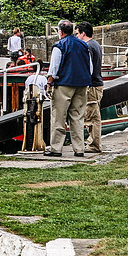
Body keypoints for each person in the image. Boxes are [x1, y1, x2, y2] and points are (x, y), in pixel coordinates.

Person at [44, 20, 92, 157]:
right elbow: (90, 66)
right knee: (77, 117)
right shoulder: (84, 44)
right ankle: (79, 148)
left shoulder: (59, 45)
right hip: (82, 84)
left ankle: (56, 148)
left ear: (60, 31)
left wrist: (49, 82)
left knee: (59, 117)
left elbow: (54, 67)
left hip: (64, 83)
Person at [77, 21, 104, 153]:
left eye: (77, 33)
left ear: (83, 33)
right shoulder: (96, 45)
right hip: (97, 84)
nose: (76, 36)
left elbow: (89, 68)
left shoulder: (87, 47)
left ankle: (94, 145)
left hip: (92, 86)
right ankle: (93, 143)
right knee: (93, 115)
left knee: (92, 117)